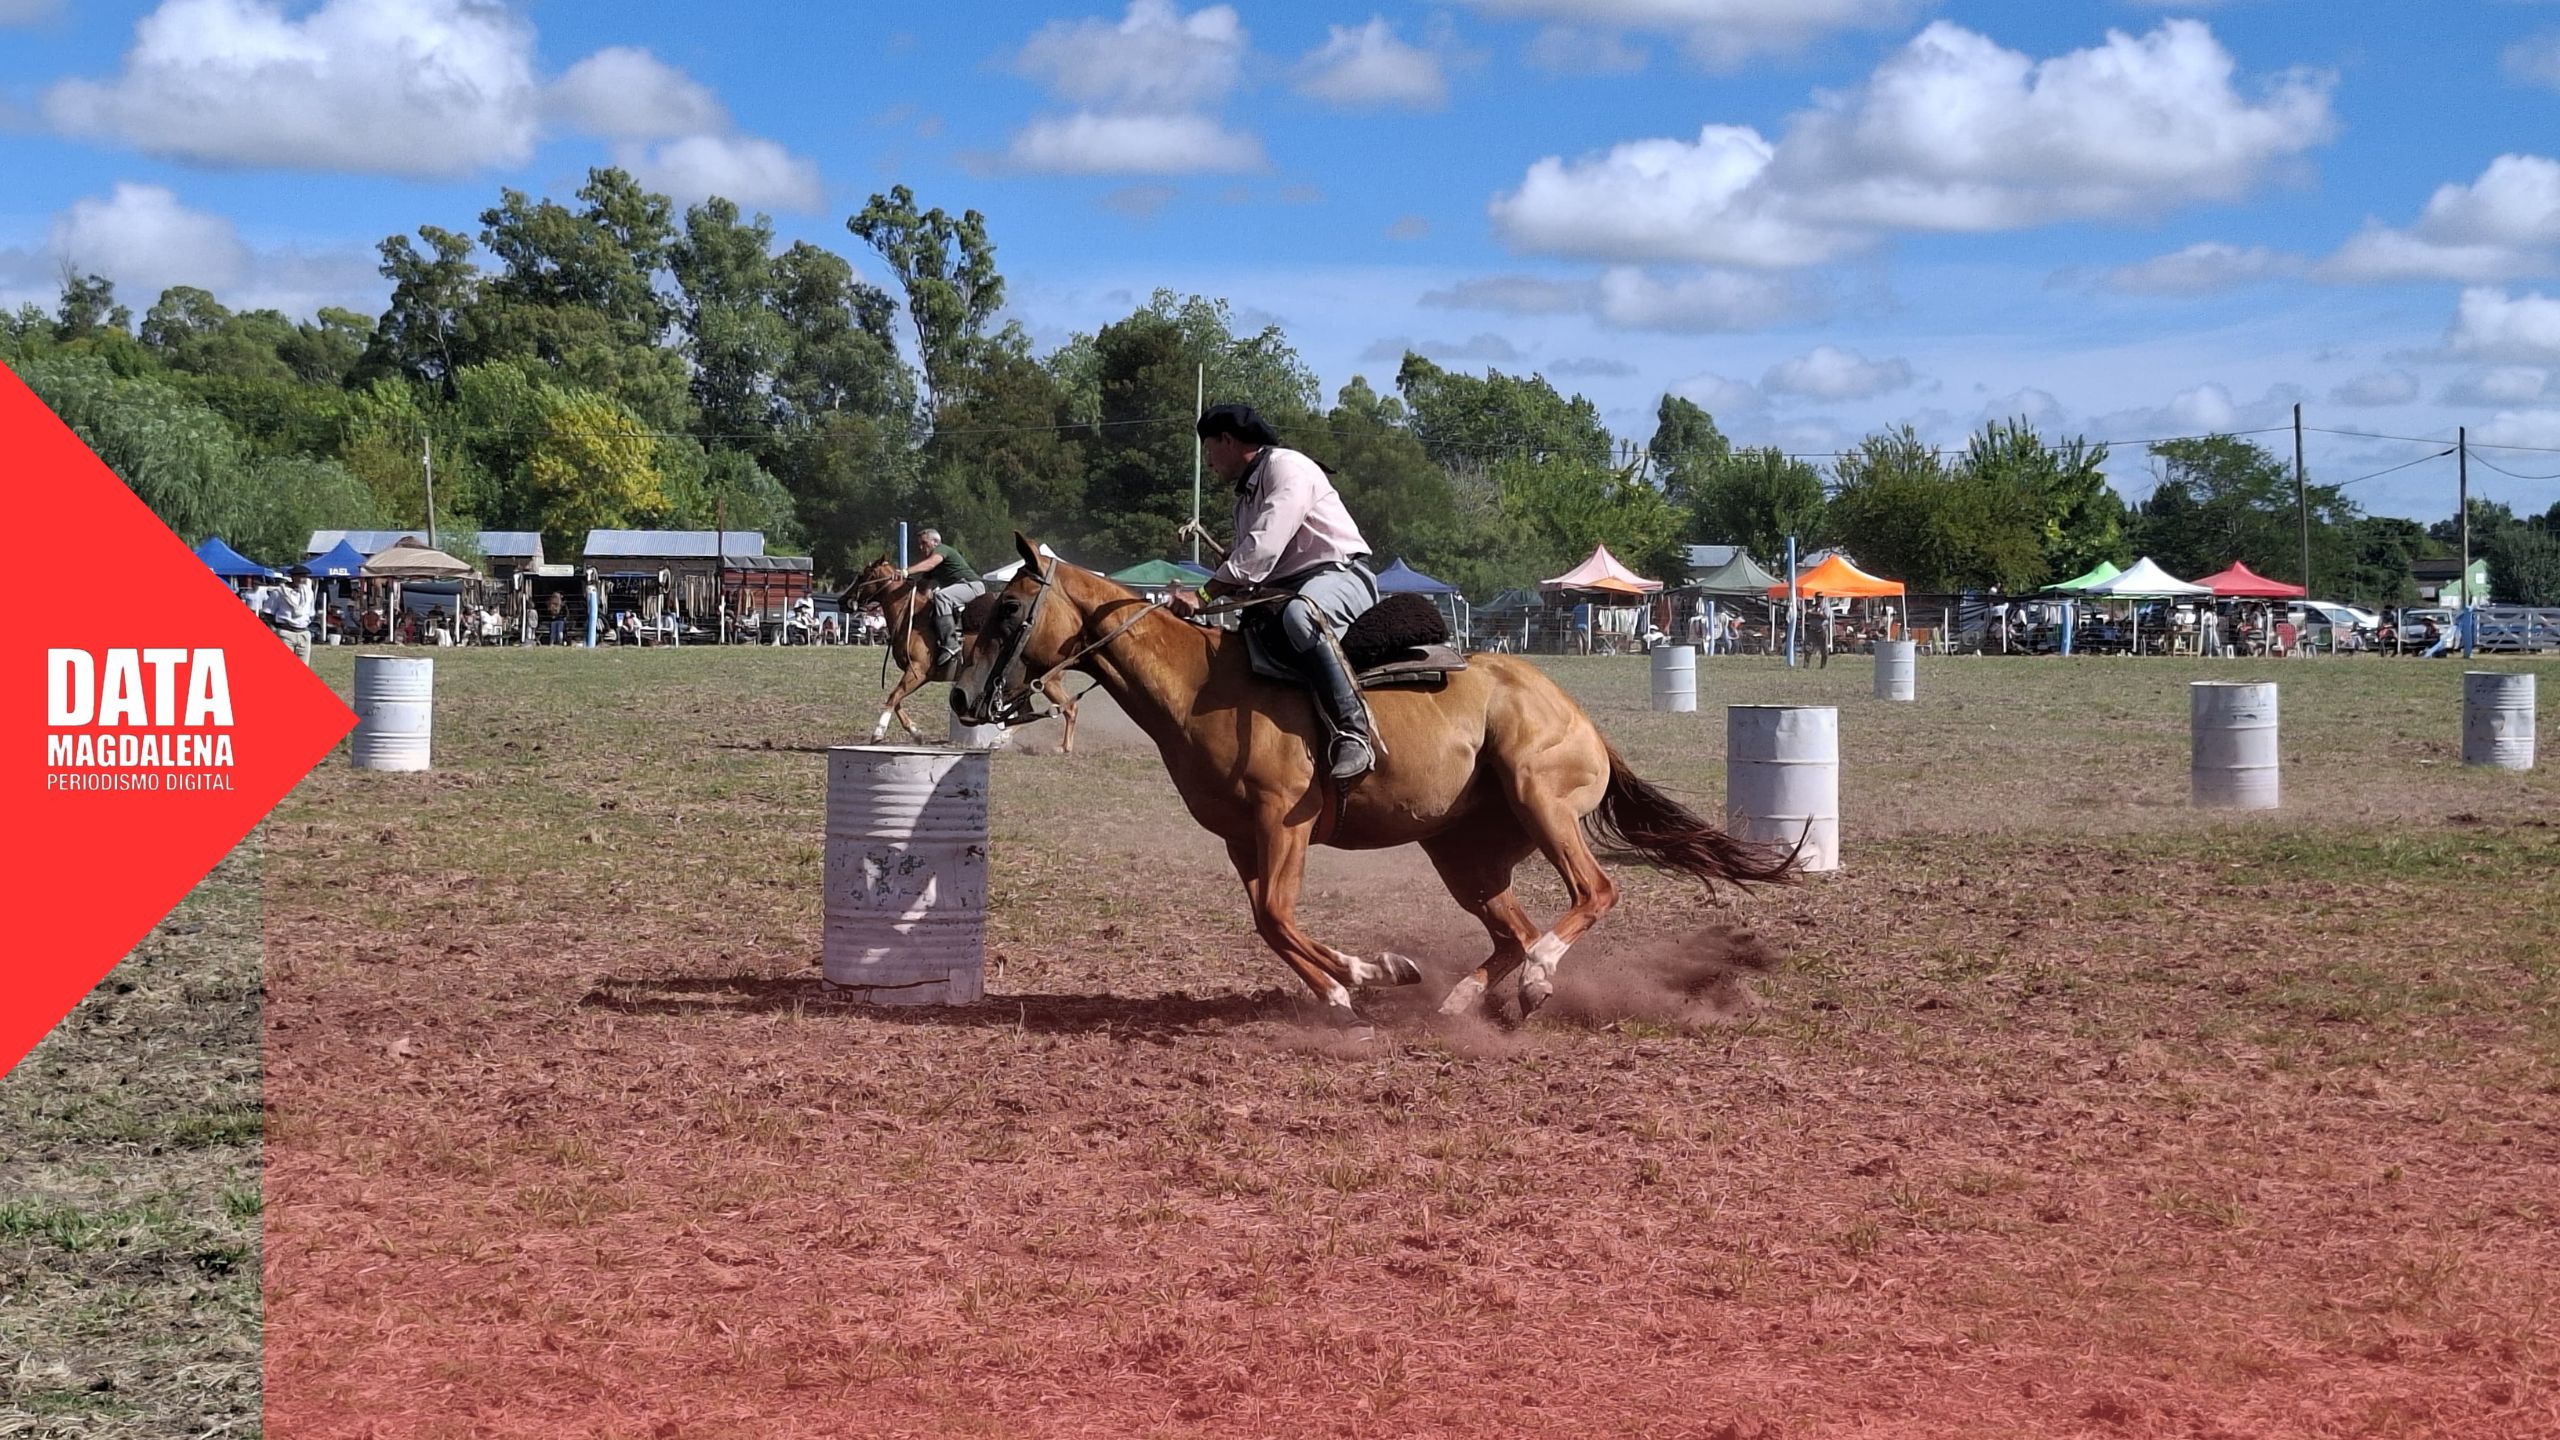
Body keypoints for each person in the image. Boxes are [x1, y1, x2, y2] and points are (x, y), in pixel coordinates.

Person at [1194, 402, 1381, 781]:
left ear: (1227, 440)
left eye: (1209, 450)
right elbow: (1253, 567)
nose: (1209, 462)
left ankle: (1354, 732)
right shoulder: (1245, 501)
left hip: (1343, 578)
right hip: (1292, 588)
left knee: (1302, 615)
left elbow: (1262, 547)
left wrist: (1203, 595)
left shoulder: (1287, 467)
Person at [904, 527, 984, 671]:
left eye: (924, 543)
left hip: (972, 586)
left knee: (941, 596)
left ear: (935, 542)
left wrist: (905, 571)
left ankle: (951, 644)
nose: (921, 548)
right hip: (961, 589)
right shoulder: (932, 565)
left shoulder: (942, 550)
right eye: (920, 545)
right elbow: (922, 587)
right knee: (934, 601)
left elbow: (930, 564)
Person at [264, 578, 314, 664]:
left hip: (303, 633)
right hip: (286, 632)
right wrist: (278, 626)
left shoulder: (309, 593)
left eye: (303, 577)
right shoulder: (279, 593)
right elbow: (268, 612)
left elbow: (311, 612)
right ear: (293, 577)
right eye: (299, 576)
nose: (301, 580)